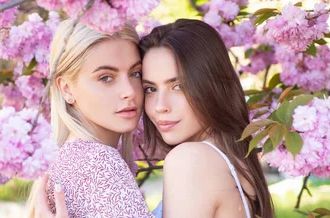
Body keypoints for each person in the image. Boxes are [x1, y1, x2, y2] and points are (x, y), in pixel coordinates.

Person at [34, 19, 274, 218]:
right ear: (66, 88)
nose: (160, 107)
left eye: (178, 86)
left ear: (210, 84)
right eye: (150, 88)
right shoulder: (236, 163)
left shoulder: (191, 159)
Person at [24, 19, 152, 218]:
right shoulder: (97, 162)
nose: (129, 91)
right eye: (106, 78)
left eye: (135, 73)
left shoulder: (68, 158)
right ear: (66, 89)